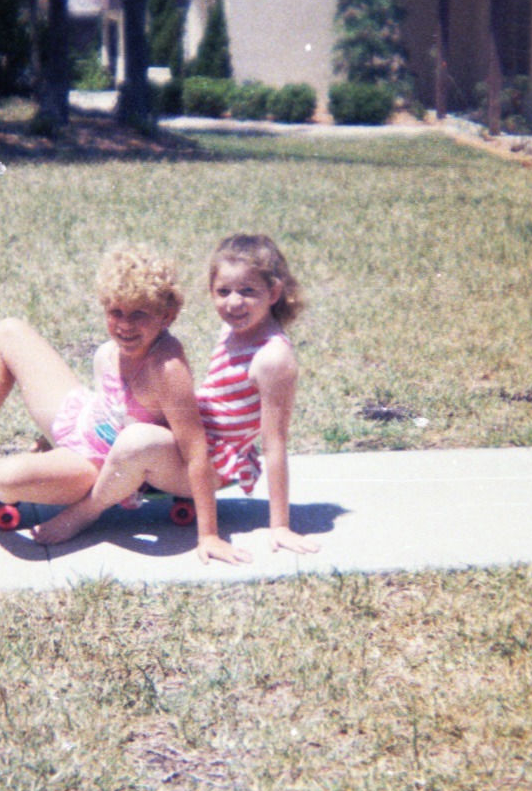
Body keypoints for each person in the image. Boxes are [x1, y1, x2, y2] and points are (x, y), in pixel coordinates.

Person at [0, 244, 248, 564]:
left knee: (11, 480)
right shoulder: (117, 349)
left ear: (168, 315)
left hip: (102, 468)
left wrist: (209, 534)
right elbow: (111, 404)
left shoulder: (167, 368)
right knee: (9, 332)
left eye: (140, 313)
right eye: (116, 311)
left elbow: (195, 450)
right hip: (82, 423)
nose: (125, 325)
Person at [33, 234, 320, 557]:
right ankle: (74, 453)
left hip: (211, 464)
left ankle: (86, 511)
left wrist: (276, 525)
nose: (234, 303)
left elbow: (275, 443)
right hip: (192, 443)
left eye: (248, 291)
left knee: (137, 439)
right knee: (123, 405)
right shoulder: (234, 331)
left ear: (275, 292)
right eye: (223, 291)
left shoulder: (273, 359)